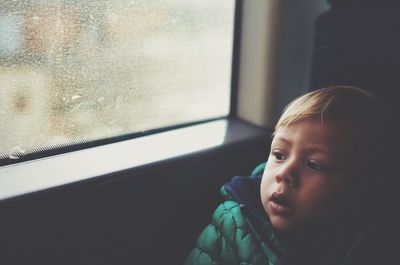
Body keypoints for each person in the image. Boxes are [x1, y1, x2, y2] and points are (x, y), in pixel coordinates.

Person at [184, 86, 396, 265]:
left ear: (358, 187)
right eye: (279, 155)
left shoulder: (376, 239)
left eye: (314, 165)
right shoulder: (233, 224)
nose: (285, 173)